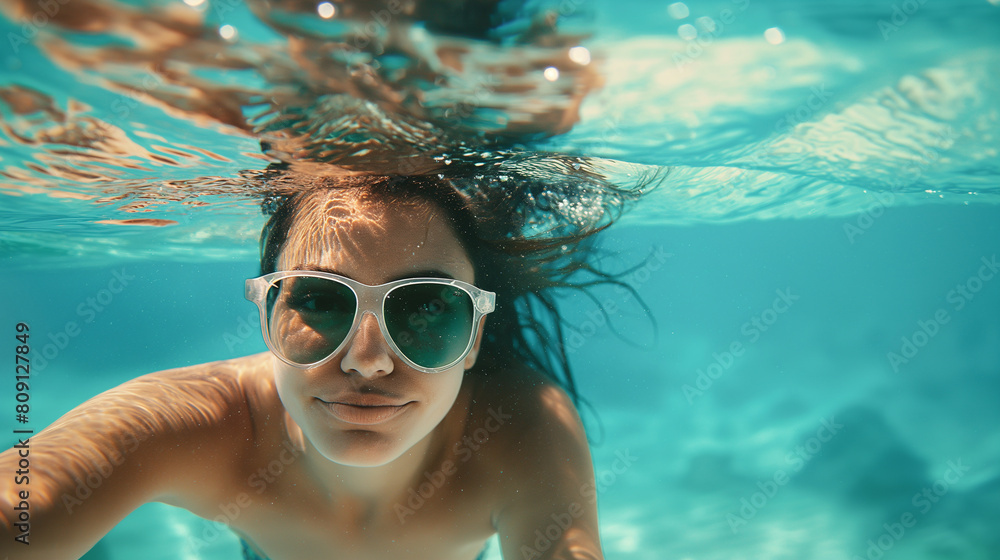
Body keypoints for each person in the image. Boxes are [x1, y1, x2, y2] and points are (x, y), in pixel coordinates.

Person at [1, 169, 649, 560]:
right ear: (265, 318)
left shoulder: (520, 430)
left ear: (476, 336)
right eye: (320, 301)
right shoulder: (192, 422)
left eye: (426, 309)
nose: (367, 362)